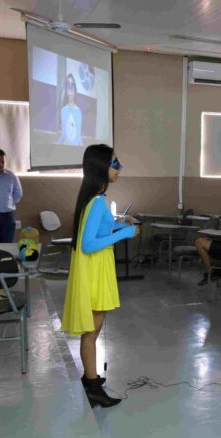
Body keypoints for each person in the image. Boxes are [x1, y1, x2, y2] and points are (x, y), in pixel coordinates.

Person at [61, 145, 139, 408]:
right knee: (92, 334)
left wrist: (119, 224)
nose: (120, 168)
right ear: (101, 167)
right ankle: (93, 386)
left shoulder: (94, 198)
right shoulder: (96, 201)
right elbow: (89, 244)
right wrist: (124, 234)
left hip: (97, 269)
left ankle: (90, 377)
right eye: (116, 163)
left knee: (92, 332)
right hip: (95, 271)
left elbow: (99, 230)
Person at [58, 74, 84, 146]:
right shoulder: (63, 111)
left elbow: (79, 137)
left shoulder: (79, 112)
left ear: (75, 90)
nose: (70, 89)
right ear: (66, 89)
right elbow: (63, 135)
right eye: (68, 85)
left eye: (72, 85)